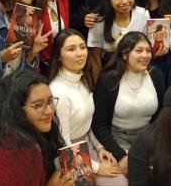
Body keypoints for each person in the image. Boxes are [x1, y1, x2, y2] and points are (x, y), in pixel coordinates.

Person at [48, 29, 126, 184]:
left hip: (88, 145)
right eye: (71, 49)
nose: (79, 53)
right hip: (69, 155)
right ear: (58, 57)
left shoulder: (83, 80)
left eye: (83, 47)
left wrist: (99, 147)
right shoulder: (57, 91)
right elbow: (64, 143)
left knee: (121, 178)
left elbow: (87, 125)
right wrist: (96, 168)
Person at [92, 32, 165, 182]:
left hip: (147, 139)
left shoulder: (155, 75)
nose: (145, 55)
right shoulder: (108, 79)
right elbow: (99, 124)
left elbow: (161, 116)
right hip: (115, 141)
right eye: (138, 51)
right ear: (124, 55)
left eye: (148, 51)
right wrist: (121, 155)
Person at [87, 0, 150, 81]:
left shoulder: (143, 14)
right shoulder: (98, 20)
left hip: (138, 70)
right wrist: (98, 86)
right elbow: (95, 58)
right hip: (110, 72)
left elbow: (147, 50)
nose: (124, 1)